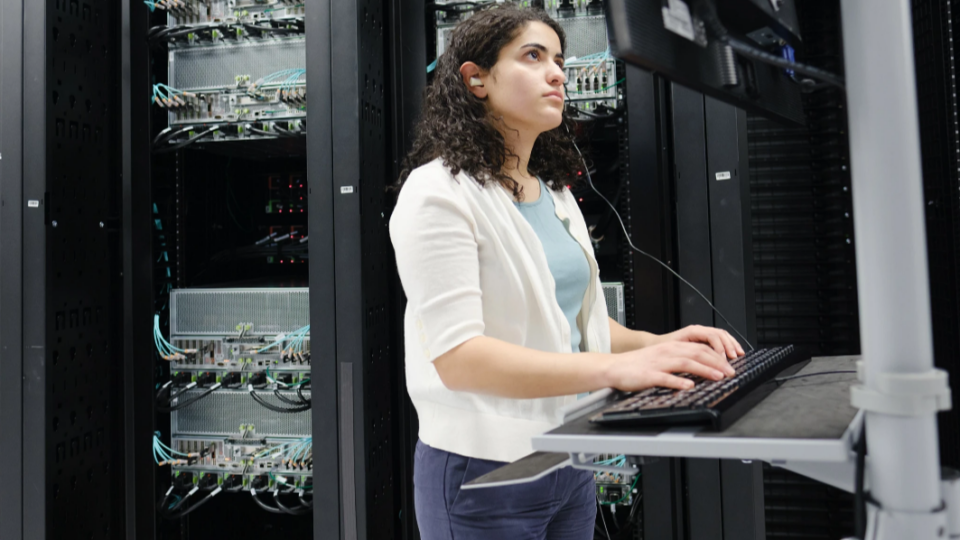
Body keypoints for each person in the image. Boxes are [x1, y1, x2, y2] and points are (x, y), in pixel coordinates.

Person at [389, 5, 745, 539]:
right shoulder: (437, 193)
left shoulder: (553, 193)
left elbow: (571, 326)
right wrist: (611, 372)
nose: (557, 72)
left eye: (559, 59)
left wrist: (660, 344)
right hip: (483, 470)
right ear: (476, 78)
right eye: (533, 57)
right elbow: (460, 359)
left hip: (566, 459)